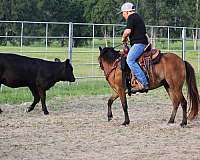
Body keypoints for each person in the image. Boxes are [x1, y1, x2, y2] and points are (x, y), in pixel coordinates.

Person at [120, 2, 149, 91]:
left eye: (123, 13)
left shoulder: (131, 17)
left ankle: (144, 83)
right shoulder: (137, 17)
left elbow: (127, 31)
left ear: (127, 12)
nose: (122, 15)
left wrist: (123, 38)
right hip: (141, 42)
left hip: (139, 44)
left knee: (130, 60)